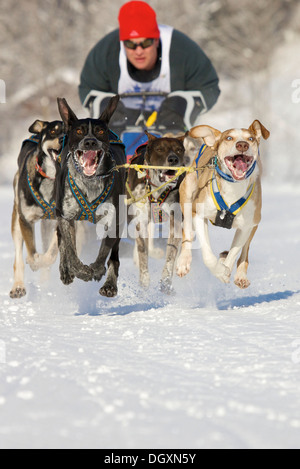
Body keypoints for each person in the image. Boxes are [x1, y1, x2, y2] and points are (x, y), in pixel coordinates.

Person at [79, 1, 220, 140]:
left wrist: (181, 105)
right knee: (110, 109)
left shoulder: (183, 50)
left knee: (176, 107)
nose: (138, 51)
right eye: (130, 44)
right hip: (121, 119)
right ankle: (114, 150)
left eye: (145, 43)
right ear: (123, 43)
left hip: (171, 119)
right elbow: (88, 89)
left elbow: (209, 86)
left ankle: (176, 146)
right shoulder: (105, 52)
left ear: (156, 40)